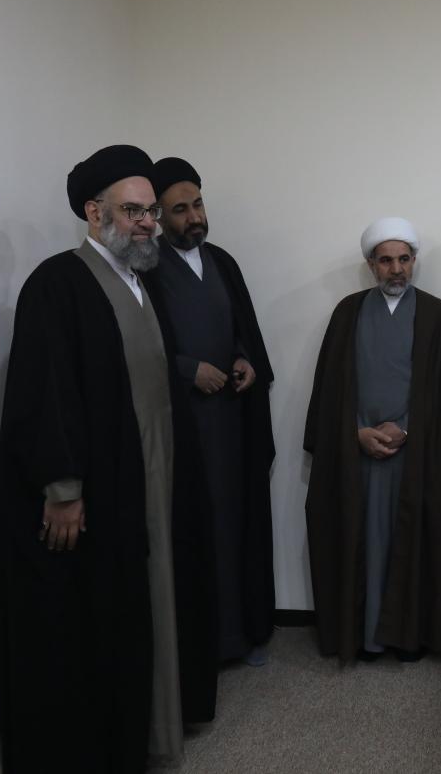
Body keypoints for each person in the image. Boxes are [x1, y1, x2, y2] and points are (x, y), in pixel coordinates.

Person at [0, 145, 218, 772]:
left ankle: (153, 726)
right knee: (102, 616)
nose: (148, 224)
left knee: (156, 599)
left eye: (151, 212)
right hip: (102, 485)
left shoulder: (144, 283)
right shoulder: (57, 284)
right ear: (95, 213)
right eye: (133, 211)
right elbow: (46, 393)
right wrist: (63, 489)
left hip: (154, 475)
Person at [303, 218, 441, 662]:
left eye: (404, 259)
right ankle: (366, 636)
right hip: (357, 452)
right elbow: (331, 387)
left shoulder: (437, 315)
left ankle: (407, 638)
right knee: (364, 542)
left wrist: (407, 427)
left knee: (412, 541)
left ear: (414, 261)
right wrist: (354, 431)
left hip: (417, 454)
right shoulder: (347, 312)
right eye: (386, 260)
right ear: (371, 264)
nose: (396, 269)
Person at [143, 157, 277, 667]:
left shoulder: (223, 261)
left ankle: (241, 633)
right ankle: (203, 646)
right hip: (184, 428)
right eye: (180, 210)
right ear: (159, 216)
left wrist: (245, 359)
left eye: (198, 204)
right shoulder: (145, 267)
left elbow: (245, 329)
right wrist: (187, 370)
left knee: (235, 524)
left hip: (231, 424)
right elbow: (139, 347)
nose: (194, 217)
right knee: (196, 530)